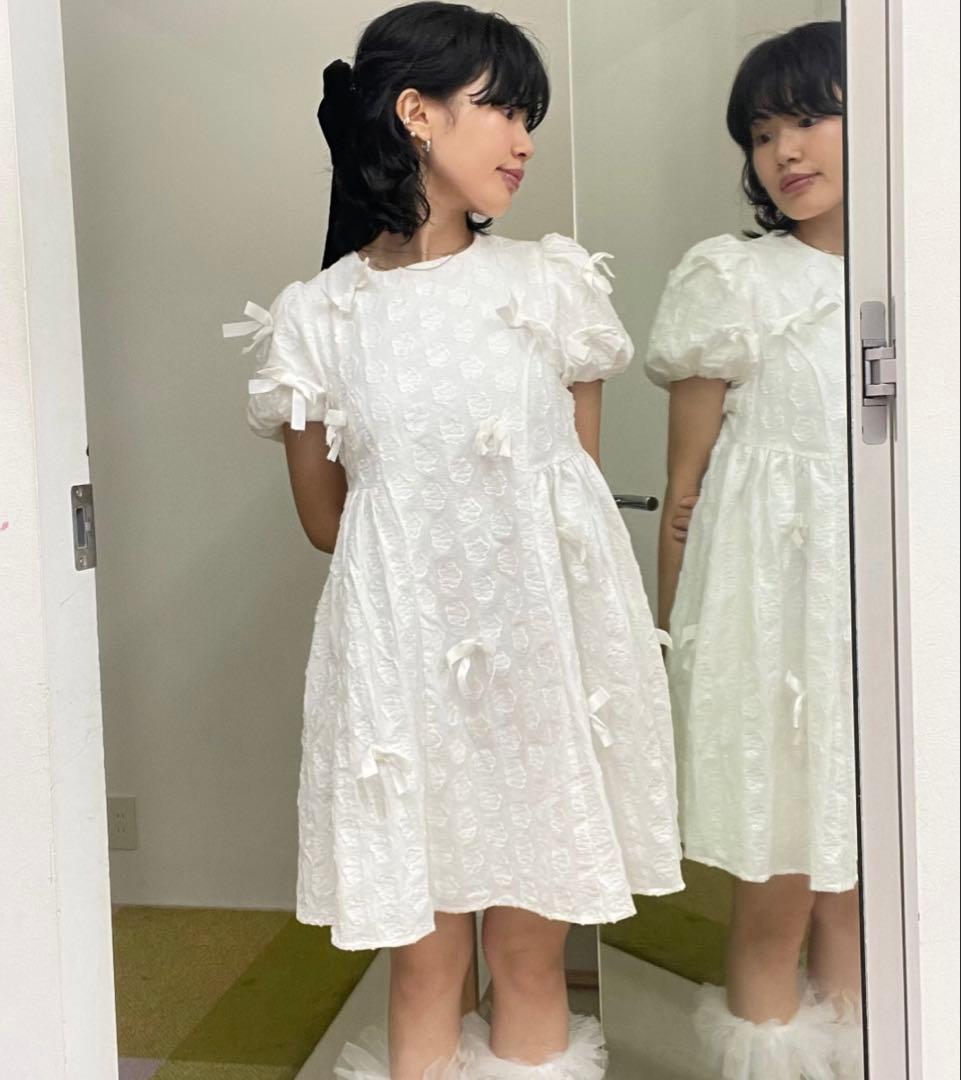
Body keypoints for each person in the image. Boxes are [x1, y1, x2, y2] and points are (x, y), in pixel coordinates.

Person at [223, 4, 681, 1076]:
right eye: (503, 111)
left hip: (537, 672)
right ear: (416, 113)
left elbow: (571, 504)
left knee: (528, 959)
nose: (524, 141)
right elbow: (328, 522)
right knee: (424, 967)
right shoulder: (318, 317)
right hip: (405, 685)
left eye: (531, 117)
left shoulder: (550, 285)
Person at [646, 21, 862, 1080]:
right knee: (777, 888)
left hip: (879, 622)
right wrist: (672, 645)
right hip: (767, 630)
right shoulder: (731, 278)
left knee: (867, 892)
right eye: (762, 132)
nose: (783, 151)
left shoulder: (921, 270)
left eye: (808, 118)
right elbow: (683, 491)